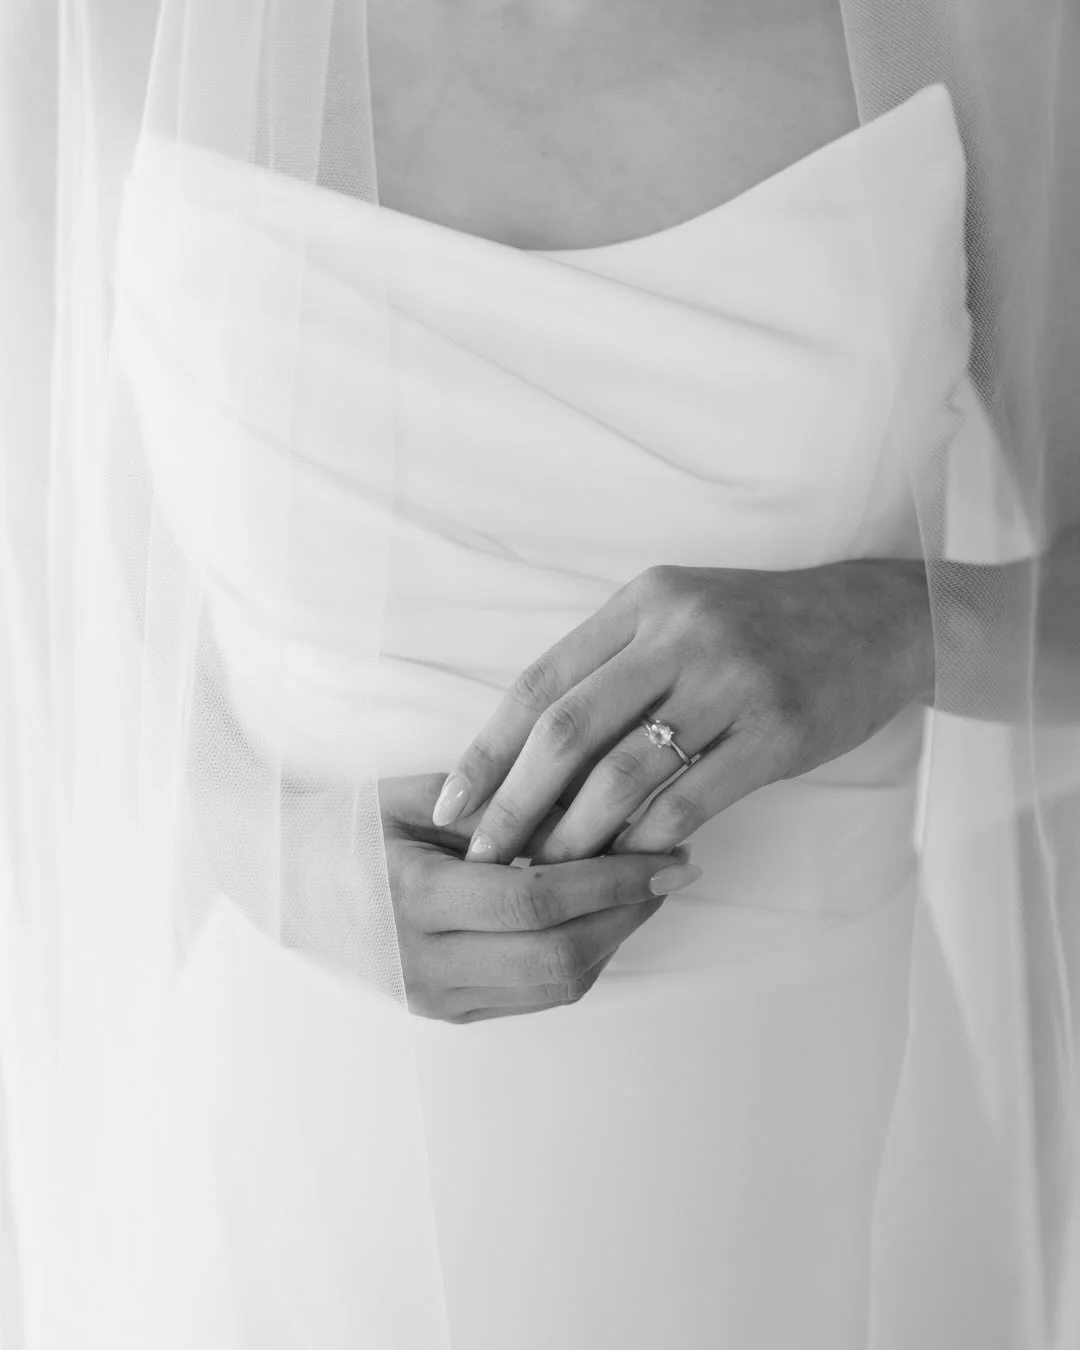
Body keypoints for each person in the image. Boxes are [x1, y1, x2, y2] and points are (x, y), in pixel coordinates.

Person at [2, 3, 1078, 1348]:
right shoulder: (94, 29)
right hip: (298, 1146)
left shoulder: (976, 27)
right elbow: (58, 593)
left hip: (787, 1155)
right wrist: (270, 854)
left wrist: (901, 623)